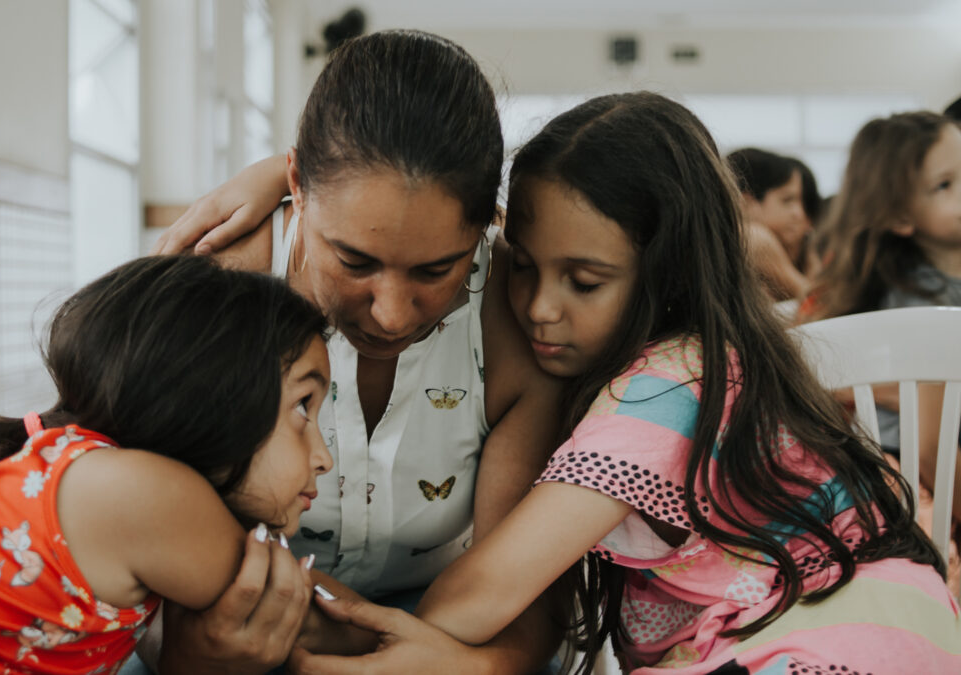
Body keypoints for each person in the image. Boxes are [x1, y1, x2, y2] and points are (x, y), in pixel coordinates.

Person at [297, 92, 961, 674]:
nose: (538, 306)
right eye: (523, 266)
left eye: (583, 281)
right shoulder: (689, 356)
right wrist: (284, 180)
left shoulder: (669, 384)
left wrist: (320, 623)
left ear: (667, 275)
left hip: (838, 640)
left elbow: (479, 594)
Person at [150, 29, 564, 673]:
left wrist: (478, 667)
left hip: (454, 629)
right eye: (354, 260)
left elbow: (522, 588)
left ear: (490, 221)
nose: (392, 314)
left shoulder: (518, 315)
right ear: (295, 183)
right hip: (230, 620)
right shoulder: (222, 283)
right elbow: (168, 536)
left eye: (436, 271)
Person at [0, 255, 333, 673]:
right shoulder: (131, 491)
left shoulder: (72, 466)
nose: (324, 458)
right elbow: (310, 619)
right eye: (301, 407)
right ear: (212, 398)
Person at [803, 110, 961, 593]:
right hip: (918, 482)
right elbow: (932, 447)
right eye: (946, 185)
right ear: (898, 216)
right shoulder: (924, 302)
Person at [727, 148, 812, 301]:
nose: (799, 213)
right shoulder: (754, 238)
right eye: (787, 200)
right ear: (745, 203)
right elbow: (814, 299)